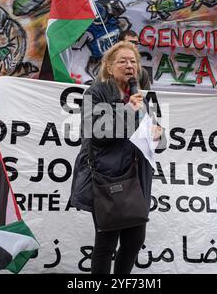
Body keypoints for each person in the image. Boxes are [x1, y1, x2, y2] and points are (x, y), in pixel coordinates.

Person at [69, 41, 166, 274]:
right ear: (109, 68)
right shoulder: (96, 92)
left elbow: (160, 143)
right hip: (108, 179)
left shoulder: (140, 97)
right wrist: (128, 111)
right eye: (122, 61)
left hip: (137, 179)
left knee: (134, 241)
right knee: (106, 244)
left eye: (133, 61)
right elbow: (97, 133)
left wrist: (158, 134)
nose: (129, 65)